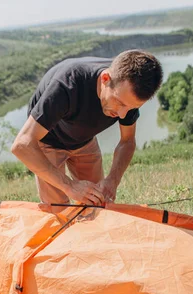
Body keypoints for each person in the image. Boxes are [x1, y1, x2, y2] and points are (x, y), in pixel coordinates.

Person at [11, 50, 163, 206]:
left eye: (132, 108)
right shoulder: (66, 85)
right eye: (120, 103)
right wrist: (69, 186)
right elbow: (22, 145)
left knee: (96, 202)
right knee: (58, 210)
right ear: (105, 79)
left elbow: (127, 141)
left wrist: (113, 180)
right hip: (48, 141)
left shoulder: (126, 89)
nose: (122, 115)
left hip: (84, 140)